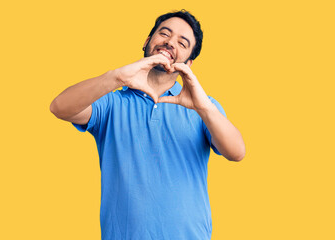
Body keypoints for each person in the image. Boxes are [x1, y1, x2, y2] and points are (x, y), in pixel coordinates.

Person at [50, 9, 245, 240]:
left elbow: (236, 152)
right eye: (164, 33)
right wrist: (116, 77)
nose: (170, 43)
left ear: (189, 63)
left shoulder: (204, 108)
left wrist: (203, 108)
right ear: (147, 41)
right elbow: (60, 107)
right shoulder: (112, 102)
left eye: (182, 43)